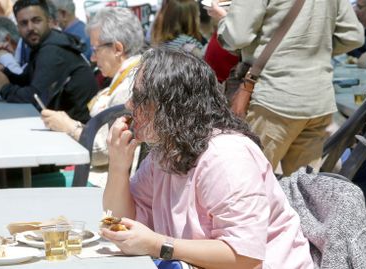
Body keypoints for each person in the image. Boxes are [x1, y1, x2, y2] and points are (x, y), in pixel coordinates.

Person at [101, 48, 314, 268]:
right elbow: (124, 223)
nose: (129, 104)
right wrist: (118, 166)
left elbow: (244, 256)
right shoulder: (166, 151)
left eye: (139, 97)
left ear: (172, 107)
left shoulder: (226, 157)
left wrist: (159, 245)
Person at [208, 0, 364, 176]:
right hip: (317, 98)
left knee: (249, 182)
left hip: (273, 97)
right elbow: (353, 36)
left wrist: (223, 20)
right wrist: (311, 50)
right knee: (303, 192)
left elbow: (237, 36)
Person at [41, 7, 144, 171]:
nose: (92, 58)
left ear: (118, 49)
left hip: (103, 182)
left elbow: (102, 152)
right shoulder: (134, 75)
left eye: (96, 49)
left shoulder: (129, 86)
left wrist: (69, 127)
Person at [0, 0, 98, 123]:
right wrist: (5, 73)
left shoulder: (52, 50)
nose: (30, 28)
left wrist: (4, 88)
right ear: (18, 27)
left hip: (77, 131)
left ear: (49, 21)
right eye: (24, 23)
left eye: (36, 20)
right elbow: (28, 80)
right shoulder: (43, 44)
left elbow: (34, 97)